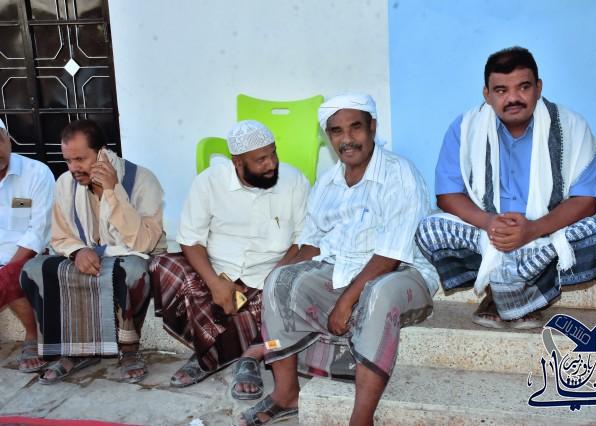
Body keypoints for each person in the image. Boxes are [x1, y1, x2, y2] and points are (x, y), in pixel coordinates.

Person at [237, 93, 436, 426]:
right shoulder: (328, 182)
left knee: (377, 294)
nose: (347, 139)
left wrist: (345, 302)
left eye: (355, 127)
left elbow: (391, 253)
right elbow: (311, 243)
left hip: (403, 272)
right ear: (328, 136)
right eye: (336, 131)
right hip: (342, 269)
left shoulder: (399, 173)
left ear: (372, 127)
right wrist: (275, 281)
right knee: (279, 281)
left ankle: (361, 418)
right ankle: (286, 393)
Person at [415, 46, 596, 329]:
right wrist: (490, 223)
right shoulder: (465, 127)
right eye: (501, 90)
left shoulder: (571, 126)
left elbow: (586, 200)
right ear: (487, 94)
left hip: (546, 233)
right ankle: (513, 293)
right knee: (429, 230)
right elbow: (448, 194)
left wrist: (532, 229)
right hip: (488, 236)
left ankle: (516, 292)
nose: (513, 98)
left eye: (523, 87)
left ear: (538, 88)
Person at [150, 120, 308, 397]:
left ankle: (228, 356)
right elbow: (190, 238)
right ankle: (220, 350)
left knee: (291, 293)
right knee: (162, 266)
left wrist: (276, 277)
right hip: (219, 269)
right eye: (261, 160)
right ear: (237, 162)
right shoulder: (209, 182)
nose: (271, 164)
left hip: (270, 273)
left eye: (273, 153)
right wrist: (214, 283)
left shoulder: (294, 181)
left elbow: (305, 240)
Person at [20, 119, 166, 384]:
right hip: (87, 257)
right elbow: (60, 236)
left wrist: (112, 191)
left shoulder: (142, 180)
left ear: (102, 153)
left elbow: (143, 242)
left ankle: (129, 349)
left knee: (132, 271)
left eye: (80, 159)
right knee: (33, 269)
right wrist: (77, 252)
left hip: (129, 256)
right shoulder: (65, 183)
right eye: (68, 160)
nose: (73, 168)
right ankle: (76, 351)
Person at [0, 118, 54, 373]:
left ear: (8, 139)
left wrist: (8, 269)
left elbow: (39, 231)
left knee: (12, 275)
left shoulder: (36, 173)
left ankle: (33, 335)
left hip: (31, 253)